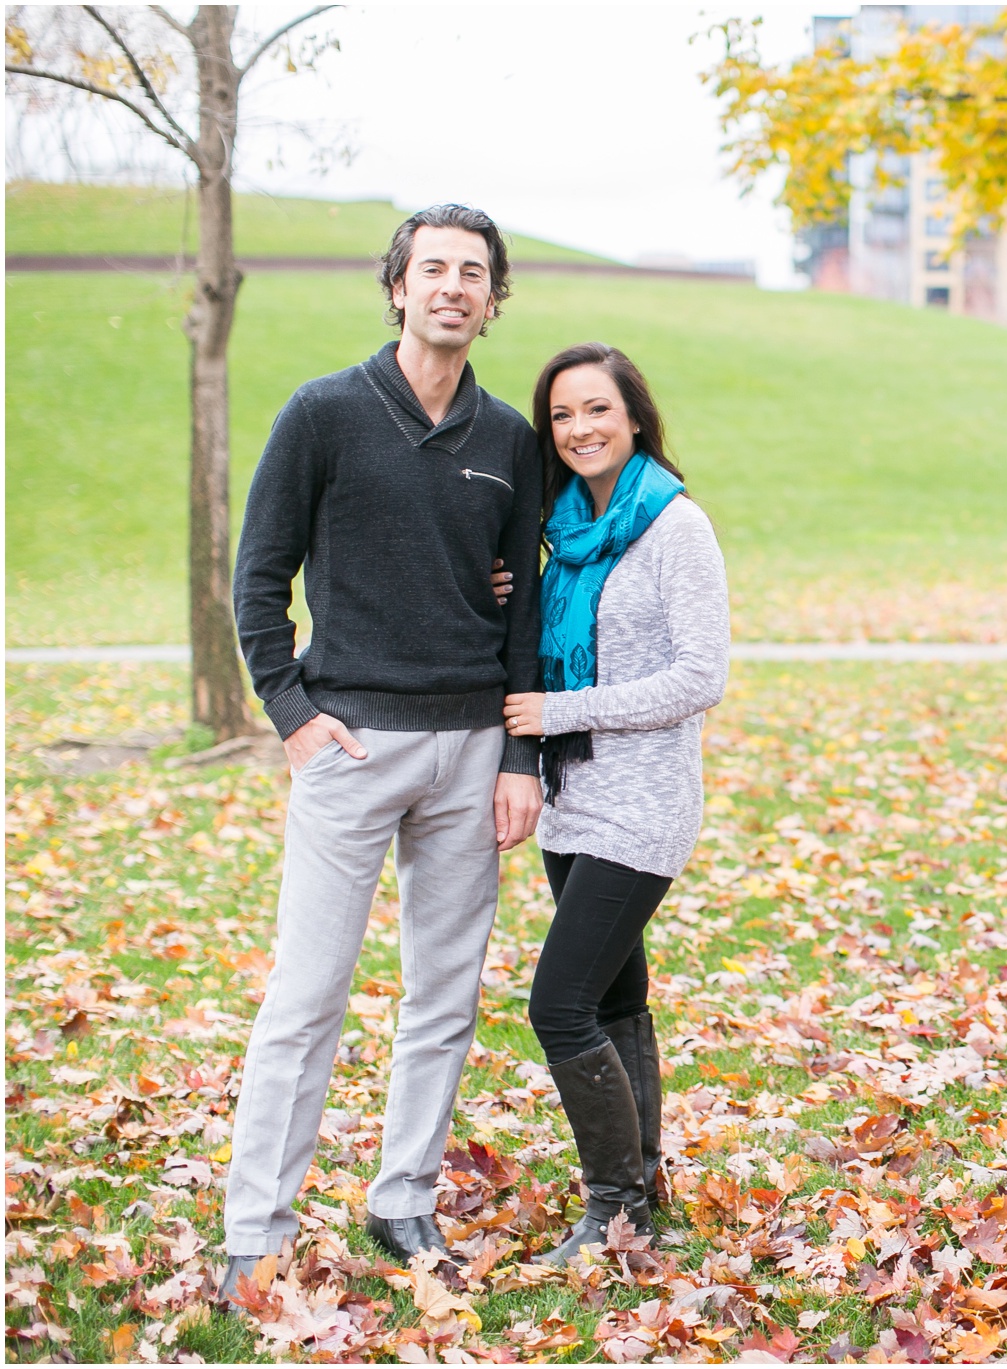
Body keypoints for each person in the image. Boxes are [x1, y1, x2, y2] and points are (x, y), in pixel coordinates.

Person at [219, 205, 544, 1297]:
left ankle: (402, 1198)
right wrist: (292, 711)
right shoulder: (322, 414)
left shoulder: (509, 441)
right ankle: (254, 1225)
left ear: (494, 303)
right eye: (434, 269)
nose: (454, 286)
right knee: (306, 993)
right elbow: (258, 578)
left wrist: (517, 756)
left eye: (475, 274)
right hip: (351, 747)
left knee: (443, 995)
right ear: (398, 286)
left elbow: (524, 605)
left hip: (469, 752)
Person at [500, 342, 729, 1264]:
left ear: (634, 416)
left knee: (558, 1005)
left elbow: (699, 675)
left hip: (643, 805)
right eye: (561, 415)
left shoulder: (675, 526)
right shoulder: (562, 537)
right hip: (573, 801)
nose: (579, 428)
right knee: (617, 996)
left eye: (597, 409)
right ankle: (642, 1187)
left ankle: (612, 1209)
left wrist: (565, 709)